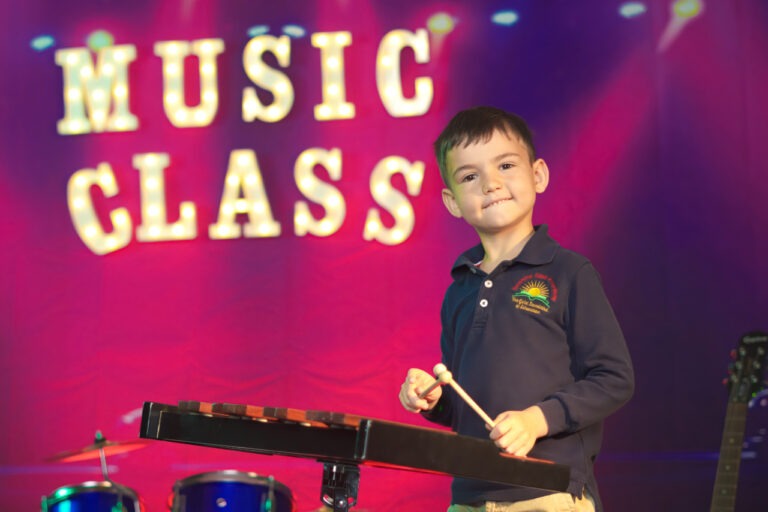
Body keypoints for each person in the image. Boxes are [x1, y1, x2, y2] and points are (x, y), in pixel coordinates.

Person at [399, 106, 634, 512]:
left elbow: (614, 378)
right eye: (469, 177)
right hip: (471, 498)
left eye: (505, 165)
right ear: (452, 202)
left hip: (550, 492)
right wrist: (433, 398)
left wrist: (536, 420)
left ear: (538, 175)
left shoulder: (569, 272)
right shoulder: (458, 291)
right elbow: (461, 406)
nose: (491, 184)